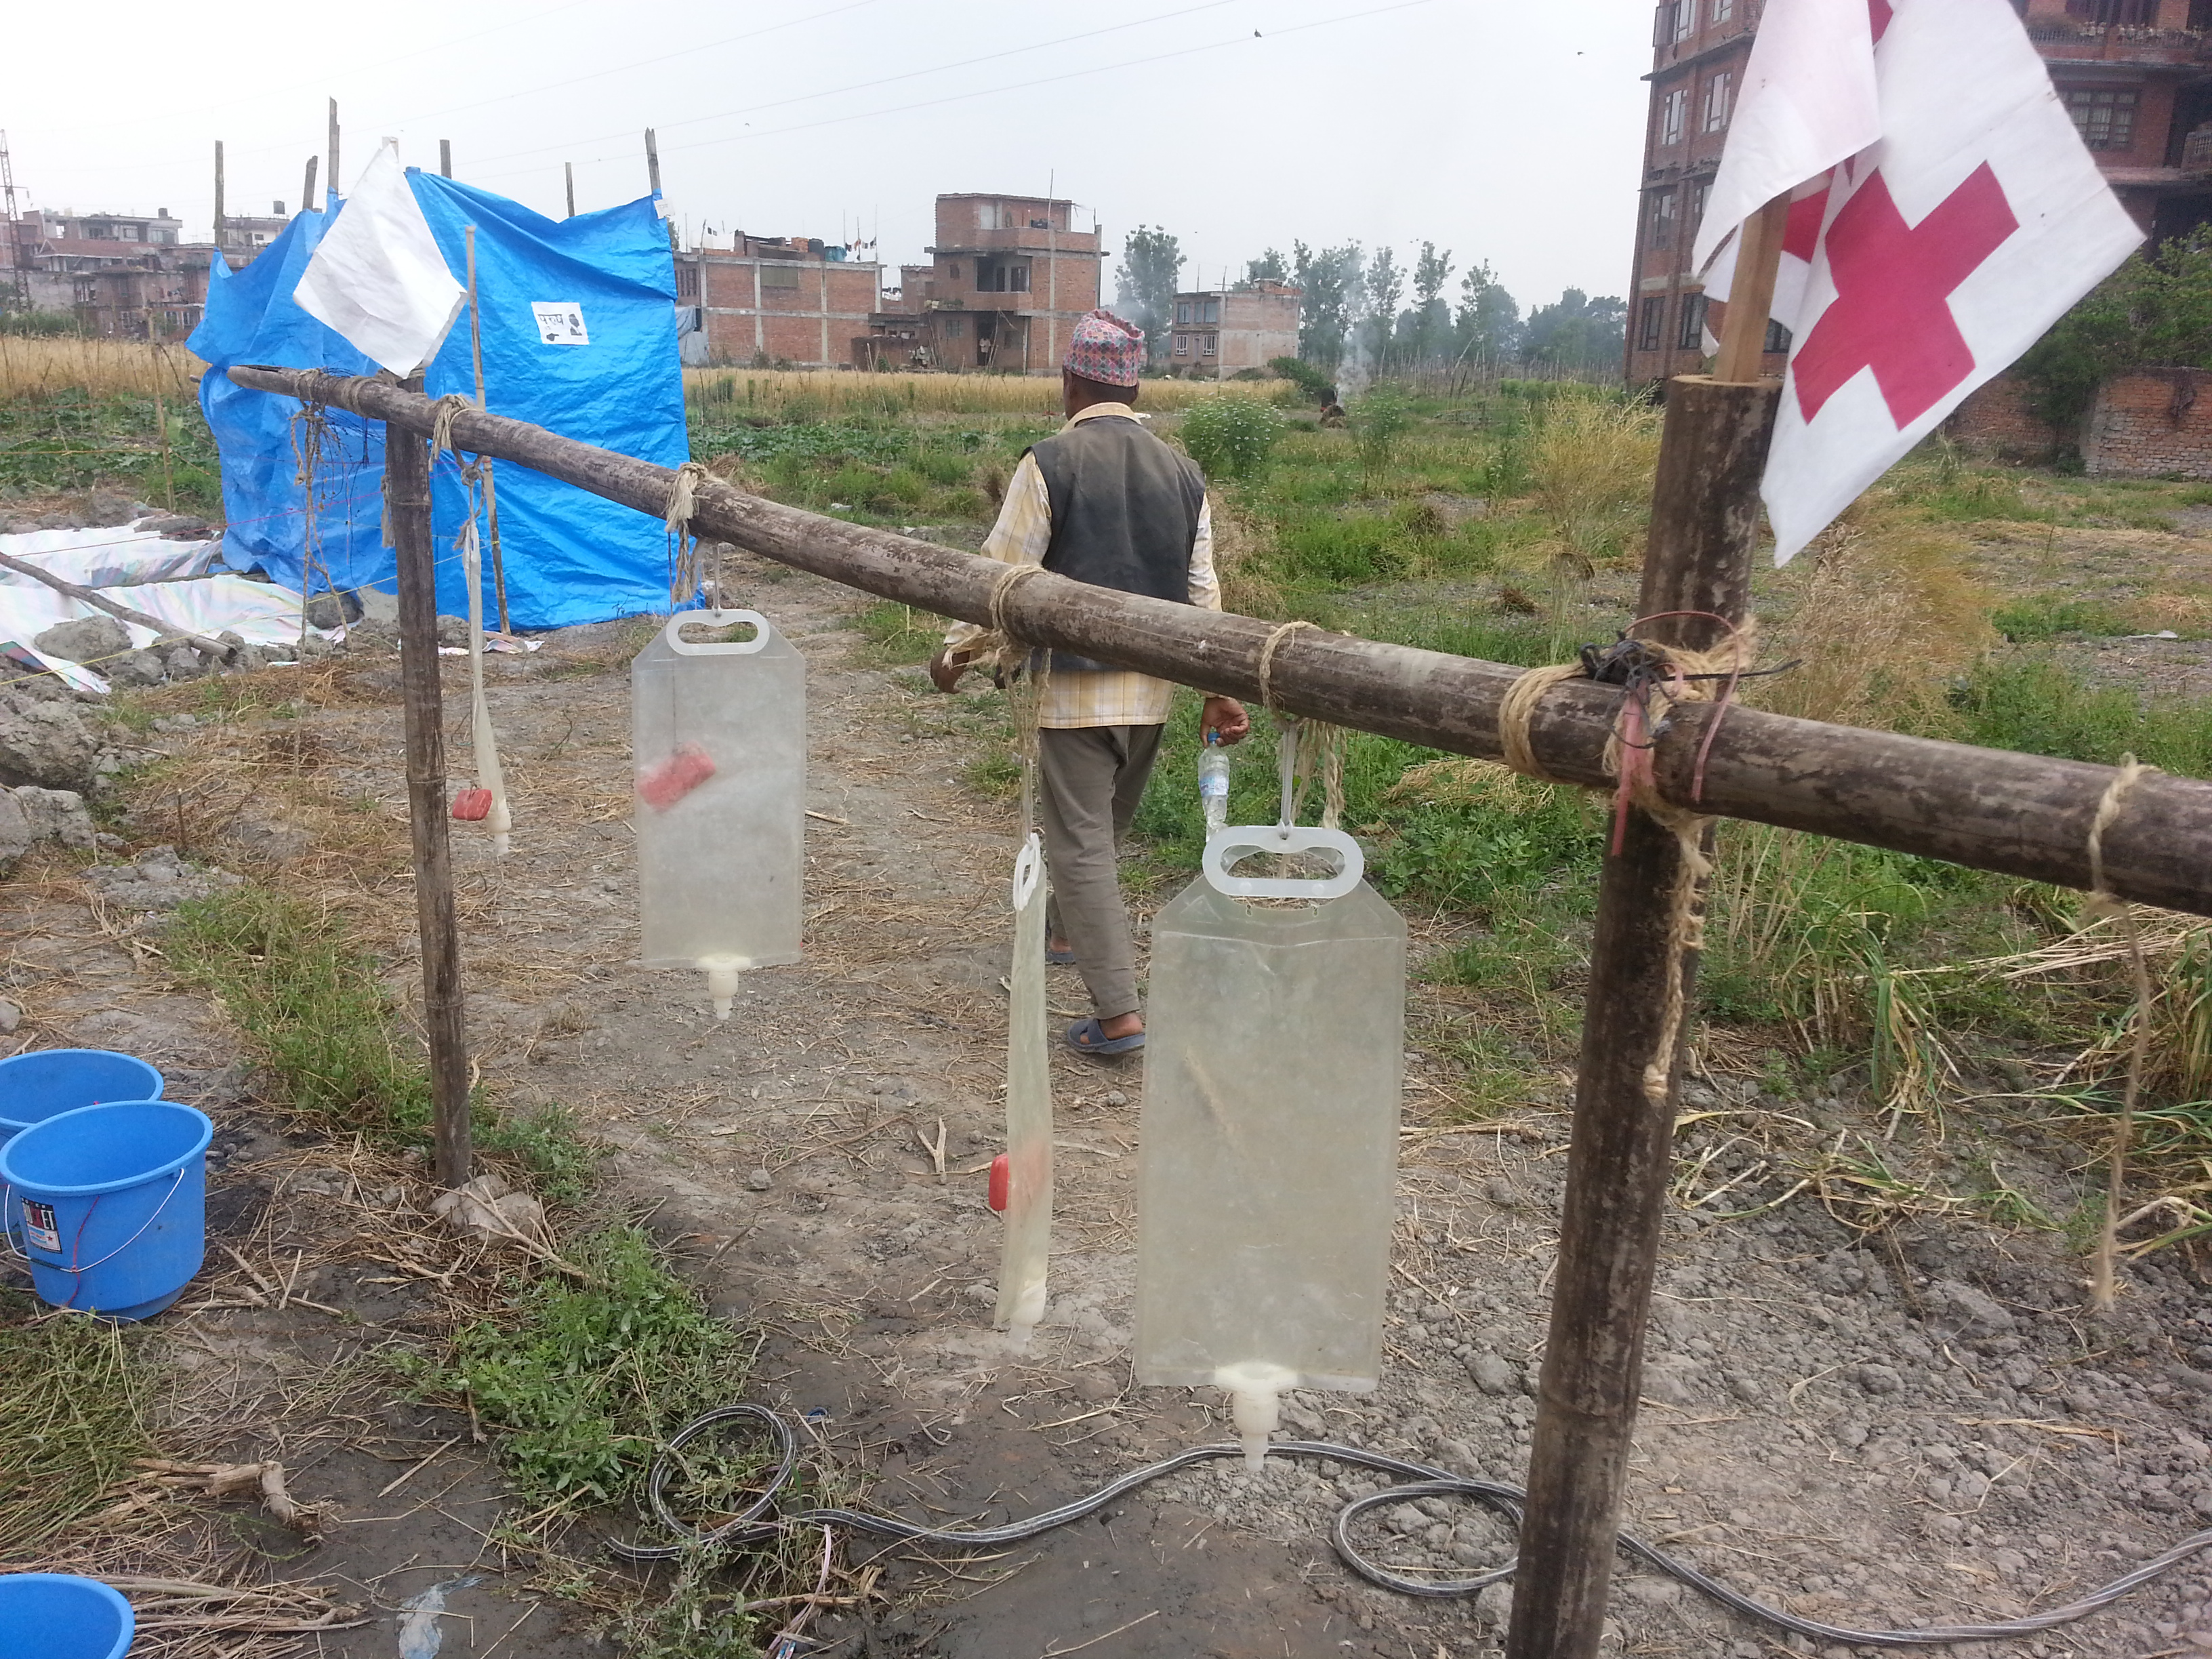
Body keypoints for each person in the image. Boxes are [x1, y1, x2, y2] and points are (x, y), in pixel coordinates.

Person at [930, 308, 1250, 1059]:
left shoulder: (1050, 463)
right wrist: (1218, 685)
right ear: (1134, 387)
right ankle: (1066, 935)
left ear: (1071, 381)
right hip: (1155, 691)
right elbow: (1202, 592)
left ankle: (1118, 1016)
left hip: (1073, 694)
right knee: (1101, 832)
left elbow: (1000, 578)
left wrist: (954, 656)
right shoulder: (1184, 474)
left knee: (1082, 846)